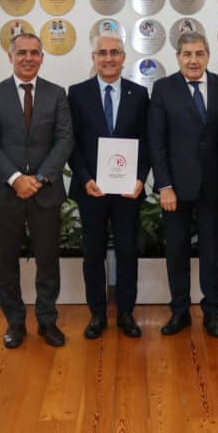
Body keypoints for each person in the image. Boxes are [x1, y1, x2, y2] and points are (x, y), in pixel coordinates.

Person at [0, 33, 74, 348]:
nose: (28, 58)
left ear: (42, 57)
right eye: (22, 53)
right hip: (7, 192)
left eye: (34, 53)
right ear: (11, 56)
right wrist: (16, 177)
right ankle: (15, 322)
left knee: (48, 260)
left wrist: (41, 177)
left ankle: (47, 321)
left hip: (45, 192)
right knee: (6, 261)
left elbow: (64, 140)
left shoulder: (56, 94)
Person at [148, 31, 218, 337]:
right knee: (176, 252)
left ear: (208, 55)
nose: (193, 60)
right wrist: (164, 186)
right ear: (178, 57)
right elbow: (156, 141)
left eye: (199, 53)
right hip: (175, 188)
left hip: (213, 186)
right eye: (187, 54)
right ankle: (180, 311)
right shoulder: (163, 89)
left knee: (212, 253)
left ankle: (212, 312)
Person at [67, 33, 149, 339]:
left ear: (123, 58)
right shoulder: (77, 93)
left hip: (128, 191)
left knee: (127, 252)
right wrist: (85, 178)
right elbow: (72, 142)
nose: (109, 58)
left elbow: (148, 141)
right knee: (93, 254)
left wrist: (140, 178)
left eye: (114, 52)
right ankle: (97, 314)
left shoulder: (138, 94)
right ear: (94, 58)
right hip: (92, 189)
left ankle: (126, 313)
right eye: (102, 53)